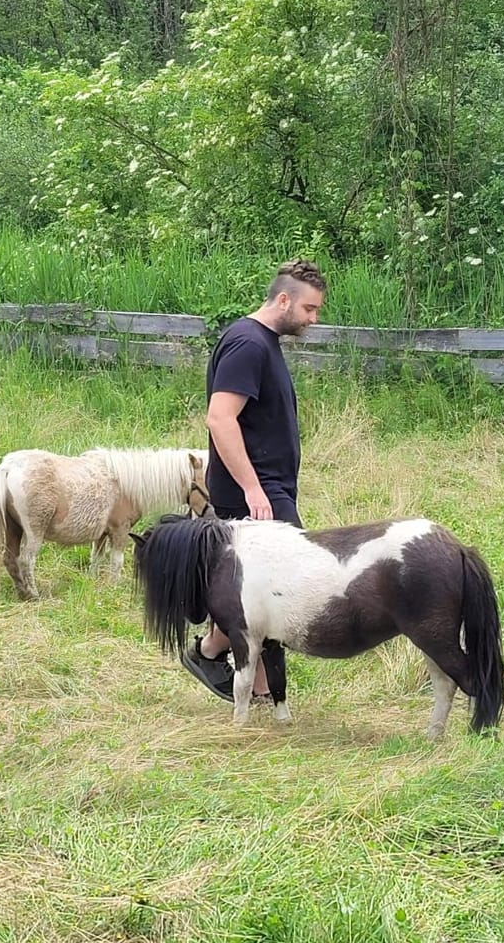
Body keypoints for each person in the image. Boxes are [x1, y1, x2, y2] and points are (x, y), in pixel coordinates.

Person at [180, 259, 327, 702]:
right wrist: (253, 489)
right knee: (278, 590)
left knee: (267, 591)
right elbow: (221, 419)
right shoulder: (247, 344)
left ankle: (262, 690)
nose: (313, 320)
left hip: (266, 487)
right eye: (309, 309)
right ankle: (210, 652)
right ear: (283, 299)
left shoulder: (262, 342)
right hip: (254, 493)